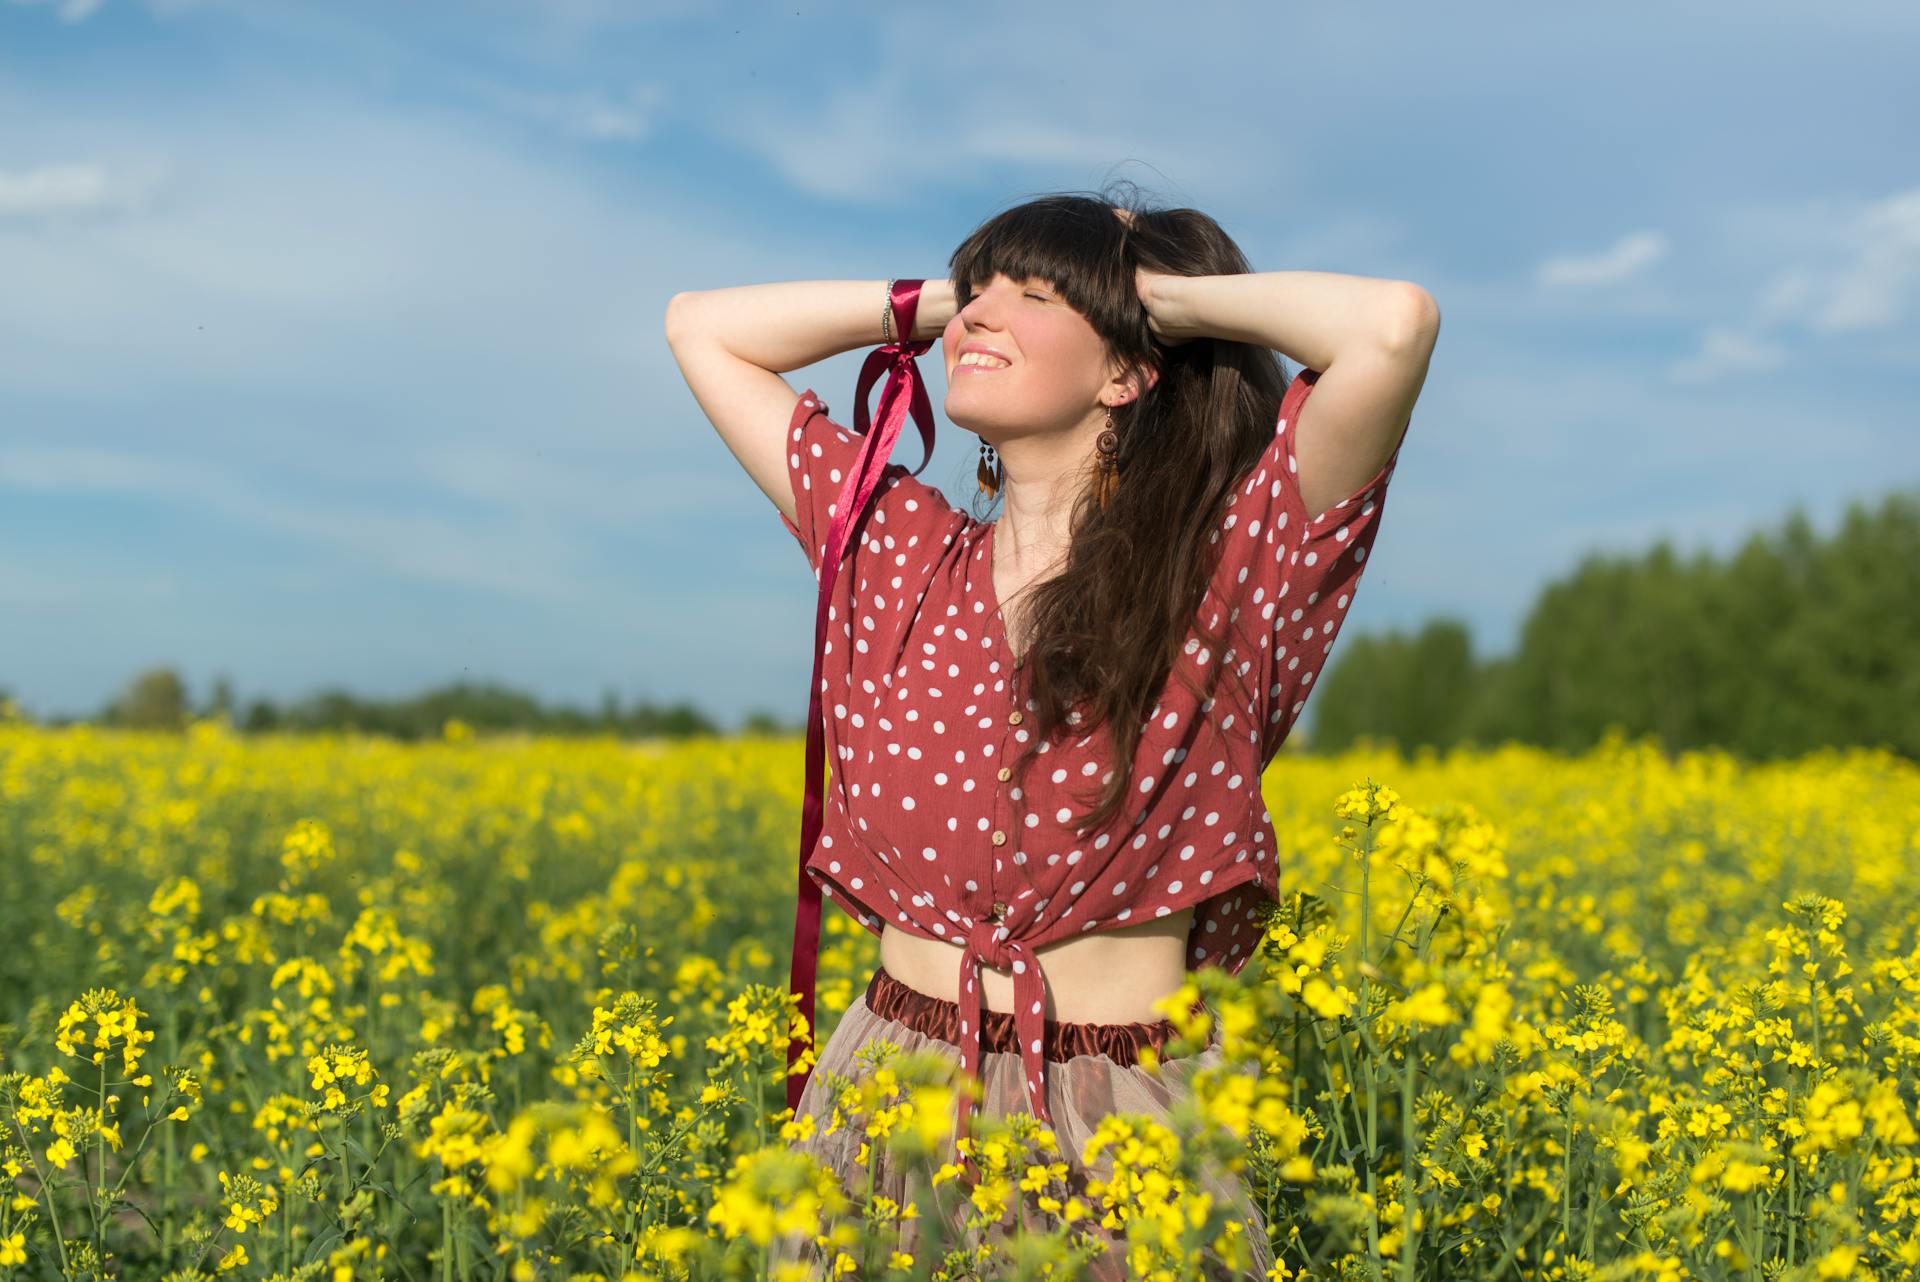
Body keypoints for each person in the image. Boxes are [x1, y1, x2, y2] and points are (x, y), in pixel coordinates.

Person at [664, 186, 1439, 1279]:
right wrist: (968, 302)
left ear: (1130, 367)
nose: (982, 313)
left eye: (1030, 297)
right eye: (976, 291)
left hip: (1115, 1107)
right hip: (888, 1081)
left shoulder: (1228, 567)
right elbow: (701, 327)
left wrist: (1143, 291)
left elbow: (1392, 326)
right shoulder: (896, 548)